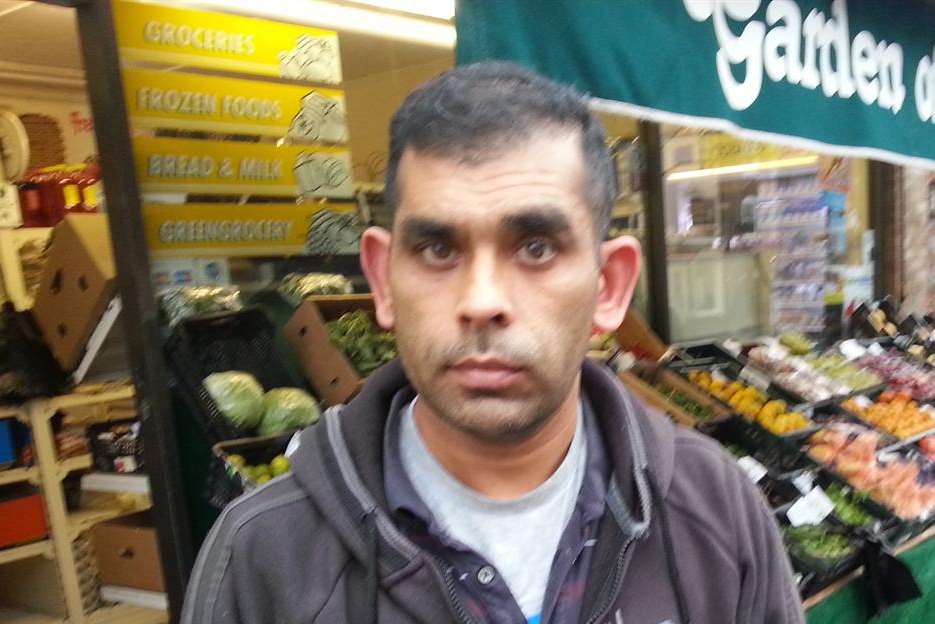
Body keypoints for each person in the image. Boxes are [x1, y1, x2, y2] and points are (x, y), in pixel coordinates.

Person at [182, 62, 805, 624]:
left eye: (536, 248)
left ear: (609, 285)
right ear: (382, 280)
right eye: (437, 249)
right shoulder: (264, 559)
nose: (482, 300)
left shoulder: (717, 514)